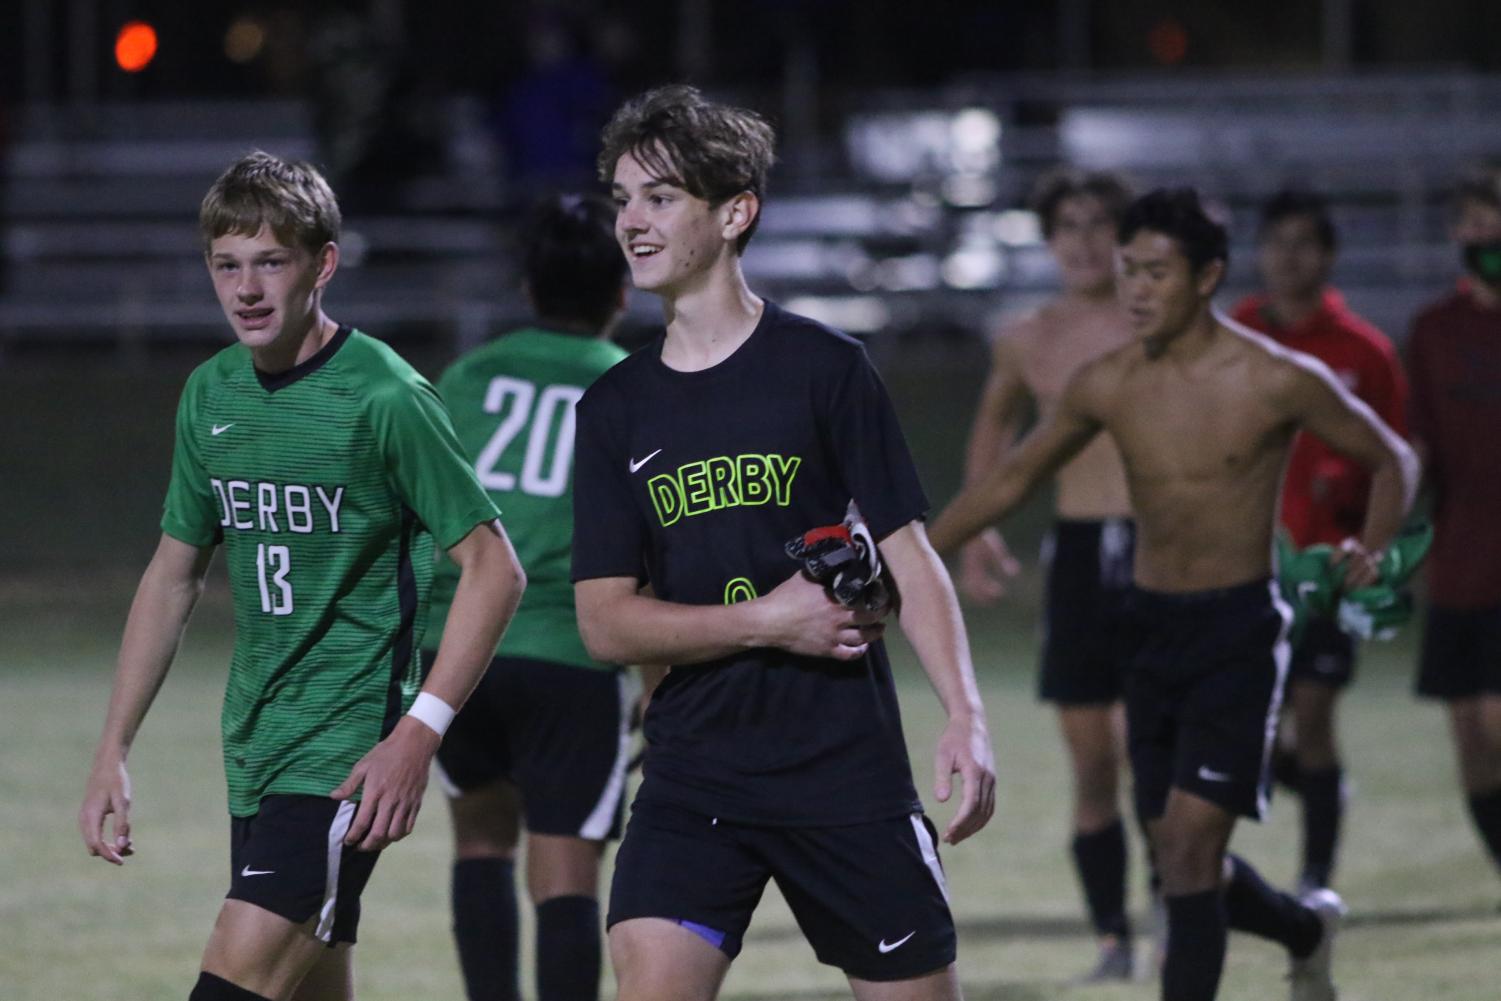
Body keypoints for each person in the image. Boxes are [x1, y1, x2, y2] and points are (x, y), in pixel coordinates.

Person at [927, 187, 1418, 1001]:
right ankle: (1302, 929)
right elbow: (1012, 476)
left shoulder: (1274, 378)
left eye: (1156, 272)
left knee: (1188, 850)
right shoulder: (1107, 381)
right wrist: (908, 558)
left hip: (1237, 630)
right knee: (1179, 856)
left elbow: (1391, 457)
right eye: (1128, 272)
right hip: (1146, 631)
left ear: (1208, 276)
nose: (1136, 290)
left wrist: (1375, 544)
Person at [571, 85, 997, 1001]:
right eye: (621, 201)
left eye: (659, 198)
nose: (631, 224)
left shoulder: (825, 368)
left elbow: (910, 554)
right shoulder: (614, 407)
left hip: (844, 771)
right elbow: (605, 623)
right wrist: (769, 619)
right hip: (694, 775)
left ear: (735, 213)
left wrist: (965, 712)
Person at [76, 152, 526, 1001]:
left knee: (234, 979)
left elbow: (494, 570)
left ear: (323, 263)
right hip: (254, 744)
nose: (246, 288)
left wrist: (419, 732)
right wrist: (113, 747)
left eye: (270, 261)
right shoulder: (210, 394)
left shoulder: (385, 396)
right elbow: (172, 575)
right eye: (226, 264)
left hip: (344, 756)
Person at [423, 193, 633, 1001]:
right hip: (569, 647)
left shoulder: (468, 374)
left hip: (458, 649)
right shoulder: (627, 383)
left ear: (528, 290)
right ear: (621, 292)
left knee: (479, 841)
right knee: (565, 863)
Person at [958, 168, 1140, 980]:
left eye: (1099, 223)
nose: (1083, 240)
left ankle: (1178, 908)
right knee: (1092, 758)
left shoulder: (1155, 319)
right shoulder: (1028, 335)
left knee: (1153, 750)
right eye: (1067, 224)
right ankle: (1112, 938)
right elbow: (993, 422)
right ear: (1047, 238)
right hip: (1075, 553)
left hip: (1162, 547)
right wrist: (977, 527)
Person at [1230, 189, 1409, 894]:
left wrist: (1372, 549)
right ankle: (1320, 796)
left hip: (1326, 571)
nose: (1287, 256)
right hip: (1246, 564)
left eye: (1303, 243)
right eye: (1276, 241)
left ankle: (1314, 876)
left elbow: (1395, 458)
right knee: (1255, 727)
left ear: (1327, 255)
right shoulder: (1239, 334)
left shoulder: (1364, 351)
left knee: (1313, 714)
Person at [1406, 169, 1501, 886]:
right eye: (1471, 221)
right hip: (1459, 565)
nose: (1483, 235)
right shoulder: (1433, 331)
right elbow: (1416, 454)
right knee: (1470, 742)